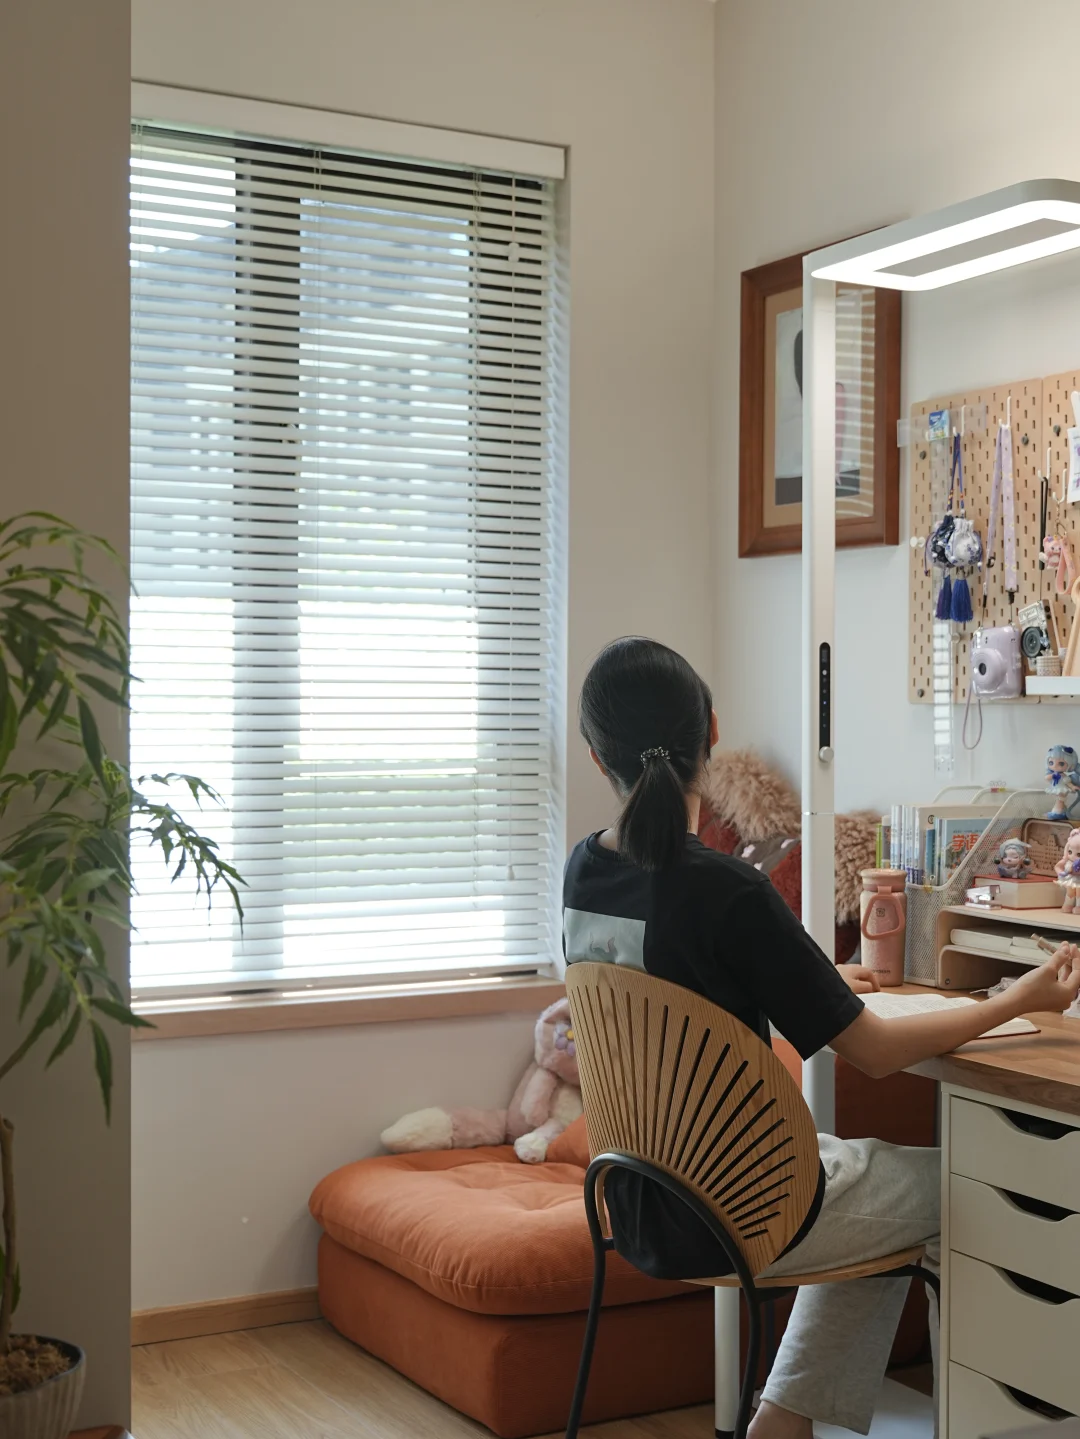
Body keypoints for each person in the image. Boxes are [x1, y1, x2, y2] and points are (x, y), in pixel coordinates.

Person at [564, 636, 1080, 1439]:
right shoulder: (728, 889)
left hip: (635, 1200)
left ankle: (784, 1419)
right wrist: (1015, 996)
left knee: (871, 1186)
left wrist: (820, 981)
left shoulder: (584, 872)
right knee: (958, 1186)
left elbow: (680, 983)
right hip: (744, 1207)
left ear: (597, 756)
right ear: (712, 731)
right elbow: (874, 1051)